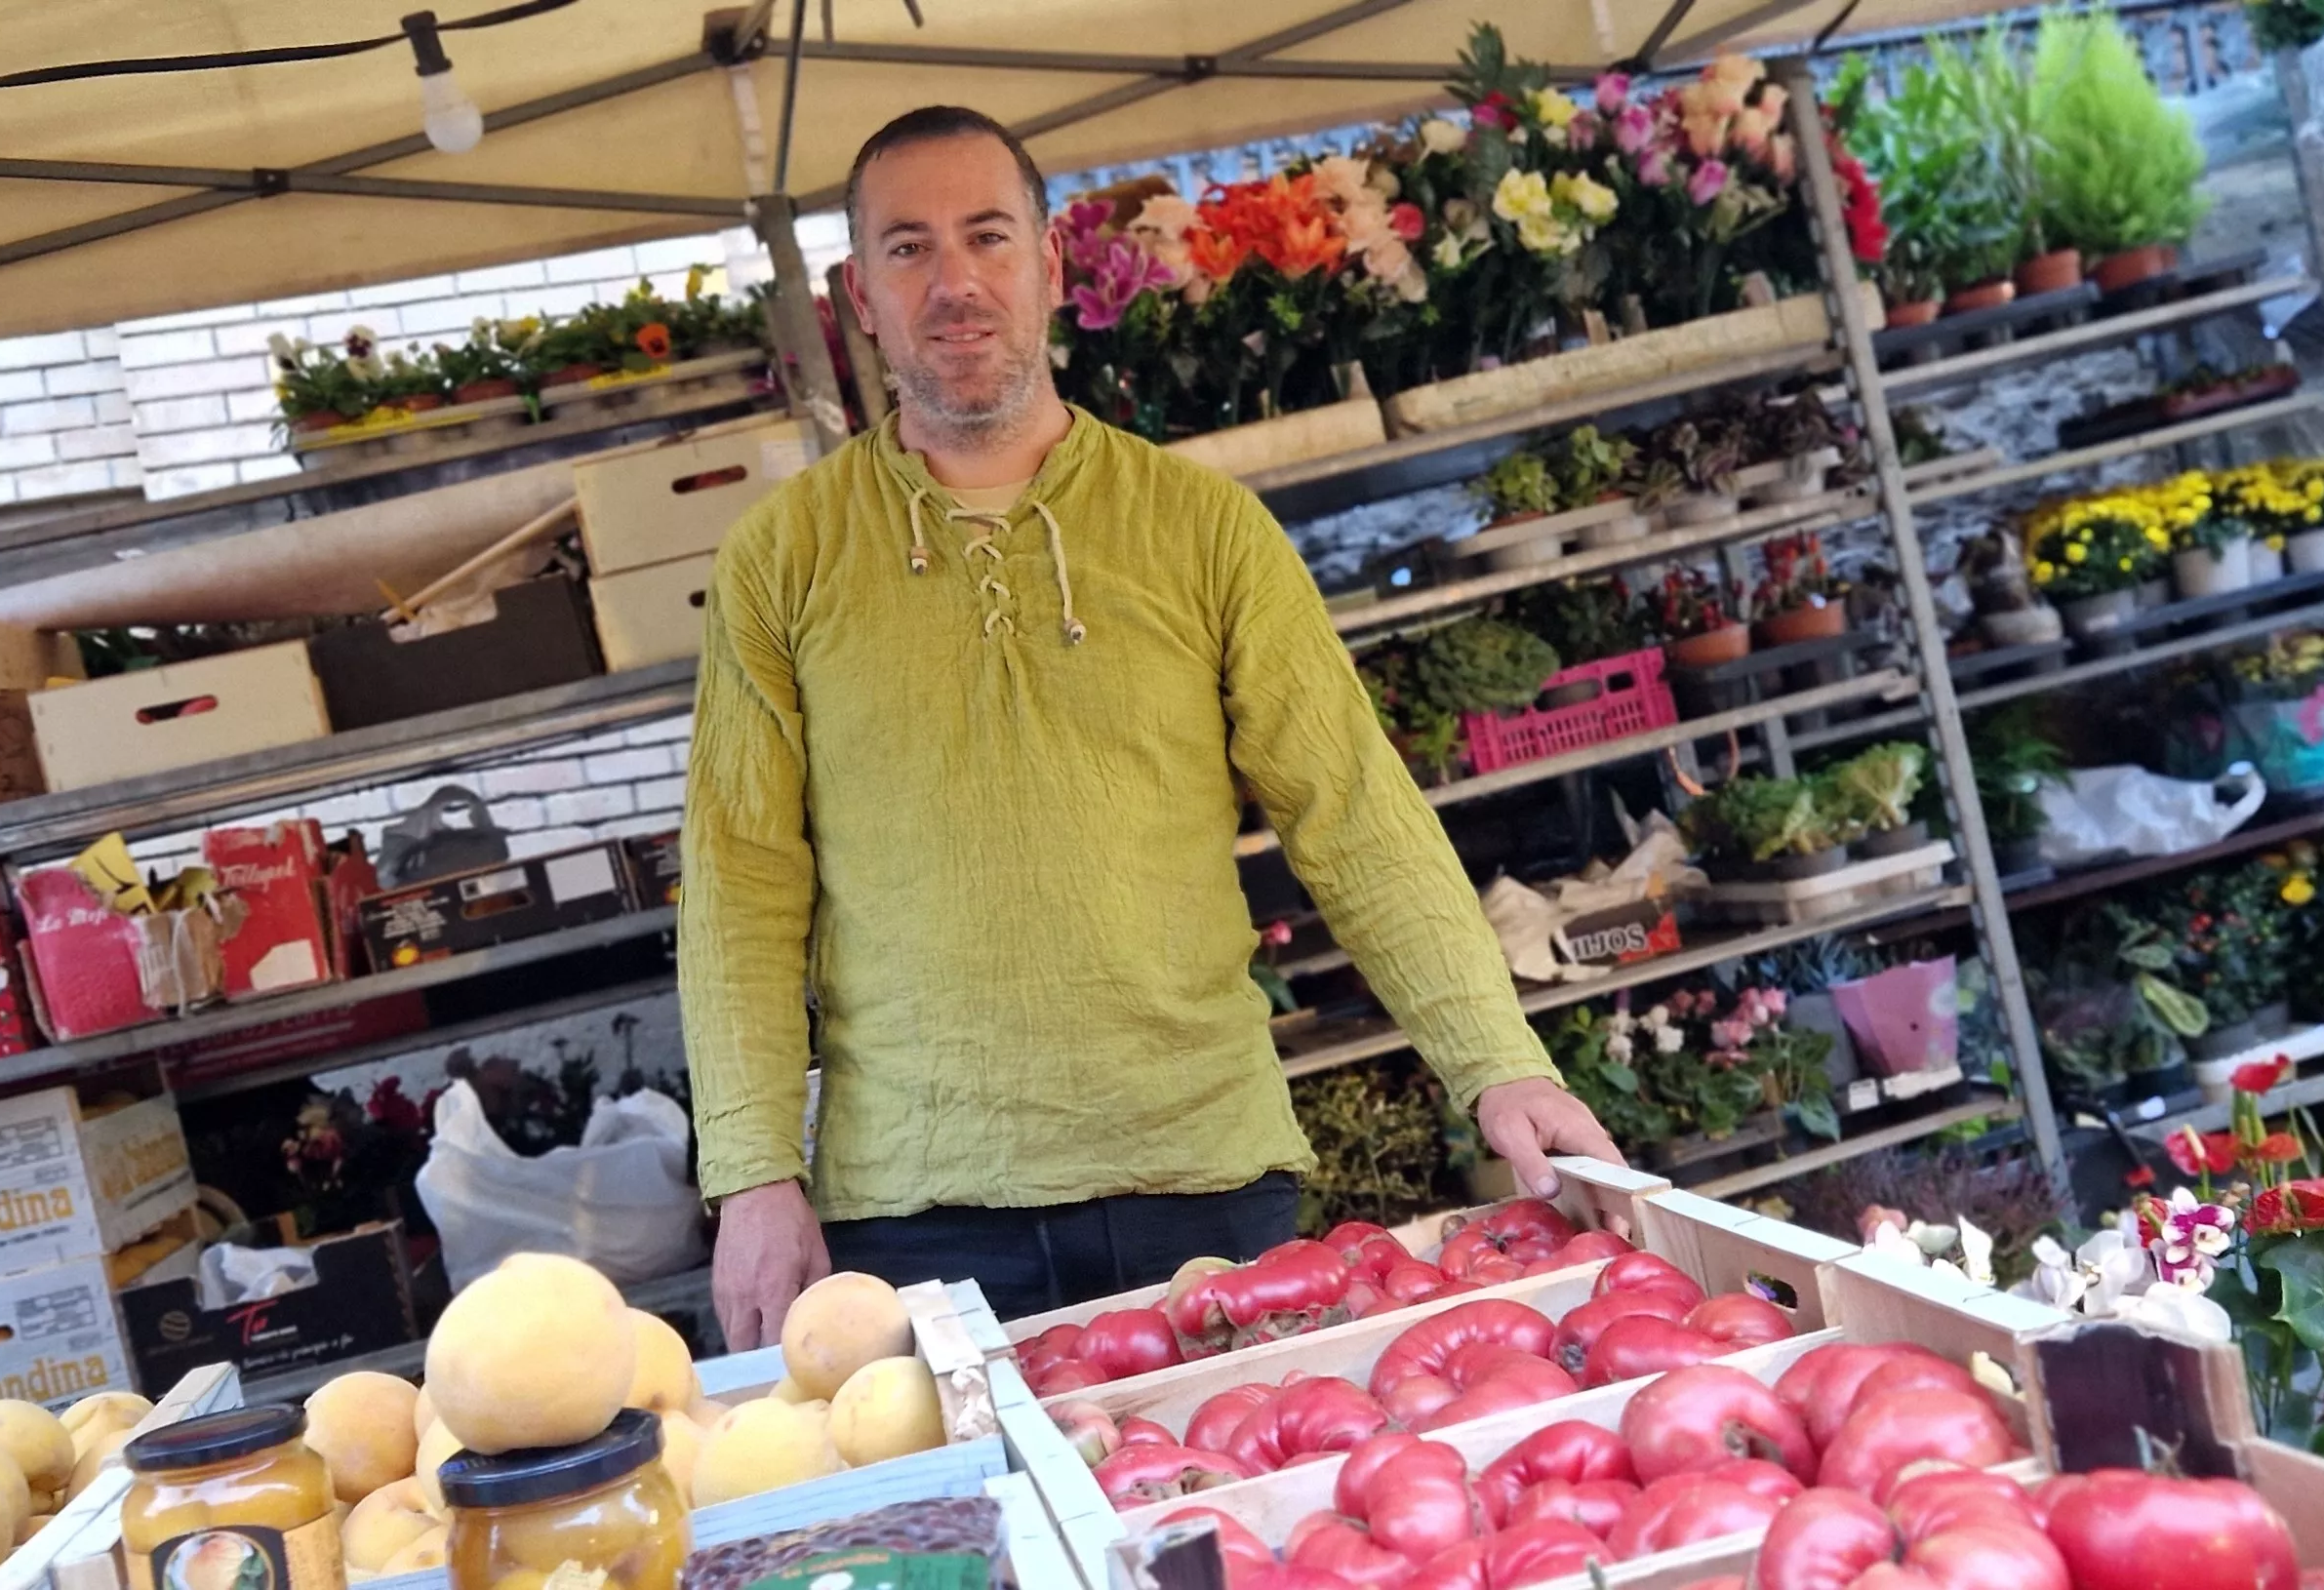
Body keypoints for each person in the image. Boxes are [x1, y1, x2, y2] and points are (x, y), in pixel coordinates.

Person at [679, 104, 1623, 1348]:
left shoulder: (1203, 527)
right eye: (908, 248)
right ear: (860, 295)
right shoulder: (781, 557)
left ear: (1050, 264)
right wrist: (752, 1170)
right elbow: (740, 882)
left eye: (987, 236)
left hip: (1204, 1174)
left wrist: (1499, 1062)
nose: (954, 282)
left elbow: (1353, 812)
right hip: (916, 1205)